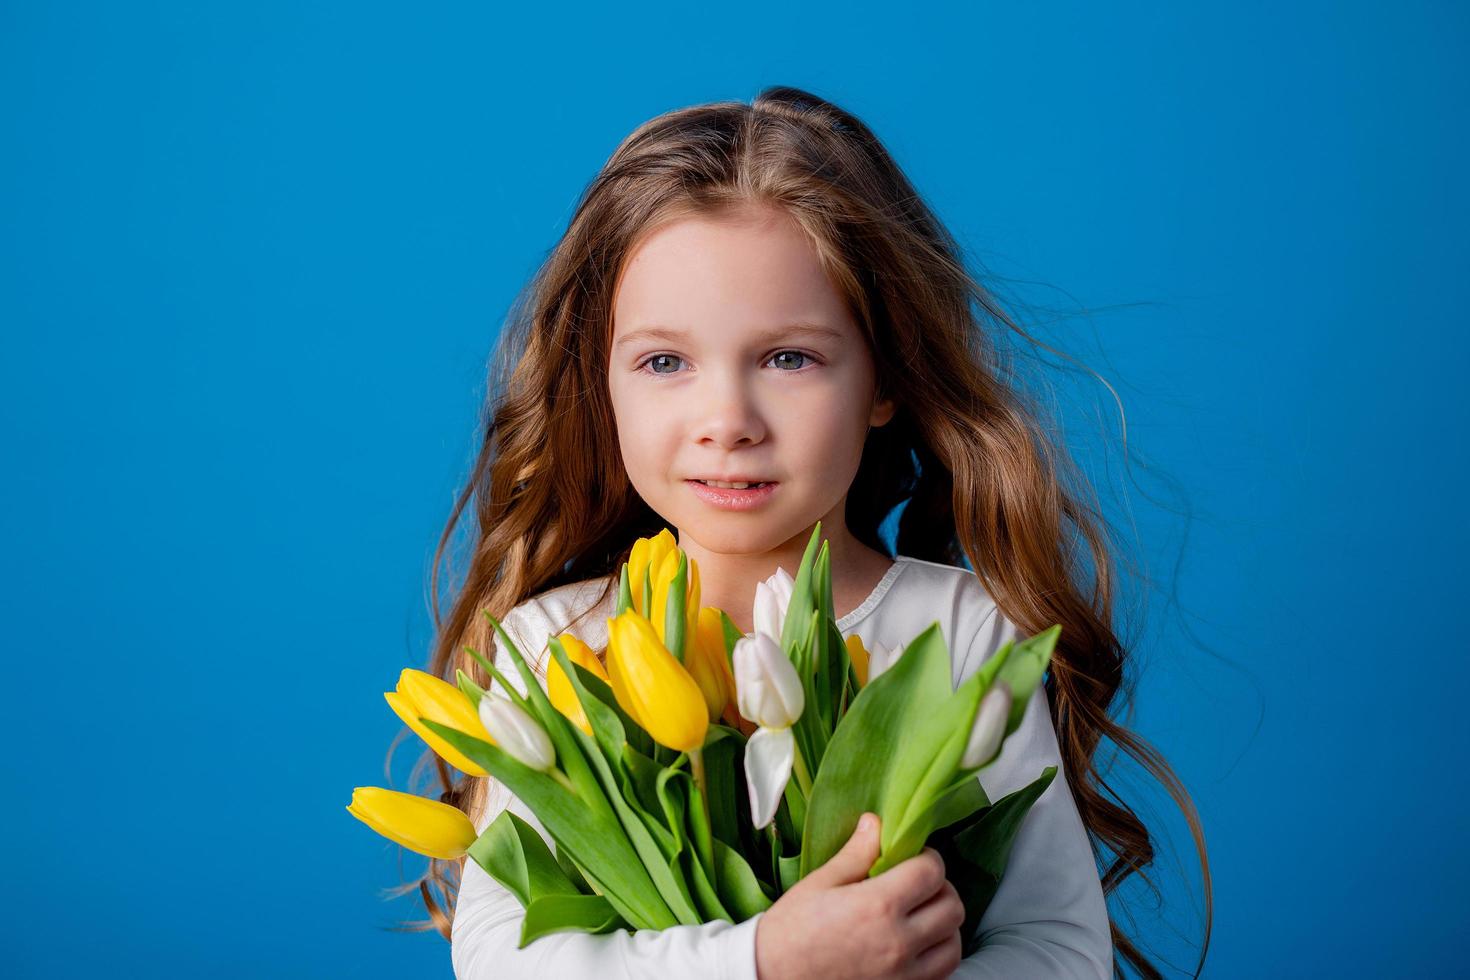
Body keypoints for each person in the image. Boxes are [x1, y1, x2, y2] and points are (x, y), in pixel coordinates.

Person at [394, 85, 1211, 978]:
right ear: (604, 385)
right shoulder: (557, 647)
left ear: (886, 381)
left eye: (789, 358)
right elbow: (502, 960)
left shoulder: (962, 637)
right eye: (665, 361)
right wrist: (768, 960)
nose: (727, 420)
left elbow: (1060, 948)